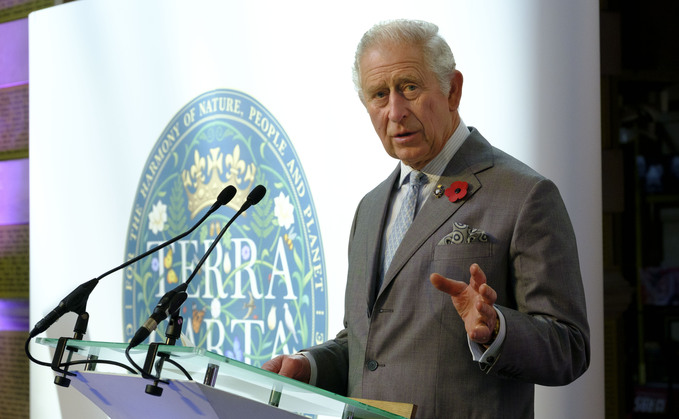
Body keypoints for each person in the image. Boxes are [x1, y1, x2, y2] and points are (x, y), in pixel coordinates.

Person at [263, 19, 590, 418]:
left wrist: (497, 328)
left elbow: (570, 347)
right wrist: (310, 366)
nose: (395, 111)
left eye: (410, 88)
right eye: (379, 95)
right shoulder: (369, 208)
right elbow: (367, 345)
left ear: (453, 89)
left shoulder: (524, 195)